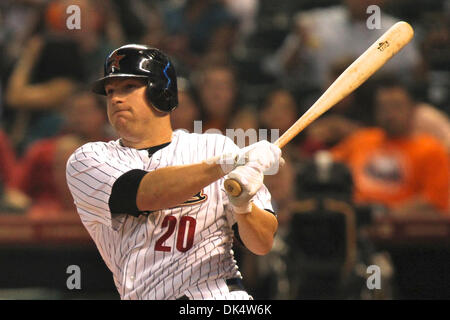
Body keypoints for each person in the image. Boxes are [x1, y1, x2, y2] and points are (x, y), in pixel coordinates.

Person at [65, 44, 282, 300]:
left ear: (161, 90)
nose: (115, 98)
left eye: (129, 87)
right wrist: (227, 164)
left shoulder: (213, 146)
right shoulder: (88, 159)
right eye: (110, 91)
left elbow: (262, 244)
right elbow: (148, 192)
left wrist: (244, 207)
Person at [331, 77, 449, 216]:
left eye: (396, 106)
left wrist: (387, 215)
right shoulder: (361, 139)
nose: (389, 114)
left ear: (412, 110)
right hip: (354, 217)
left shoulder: (430, 149)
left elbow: (434, 200)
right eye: (383, 107)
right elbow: (328, 163)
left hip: (400, 225)